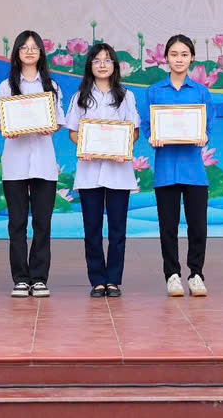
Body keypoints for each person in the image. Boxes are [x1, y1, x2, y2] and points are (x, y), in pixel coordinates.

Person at [66, 42, 139, 298]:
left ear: (115, 66)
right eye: (97, 60)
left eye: (107, 60)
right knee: (92, 228)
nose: (102, 65)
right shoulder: (80, 96)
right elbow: (73, 132)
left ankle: (113, 280)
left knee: (118, 229)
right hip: (89, 172)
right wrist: (84, 145)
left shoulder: (126, 96)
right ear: (90, 66)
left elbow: (134, 131)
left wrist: (124, 147)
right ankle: (97, 280)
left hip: (119, 171)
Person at [0, 30, 64, 298]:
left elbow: (58, 121)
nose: (29, 51)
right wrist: (8, 129)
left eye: (34, 47)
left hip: (44, 165)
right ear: (17, 52)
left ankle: (39, 278)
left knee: (42, 223)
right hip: (15, 164)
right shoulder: (6, 86)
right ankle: (21, 279)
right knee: (17, 223)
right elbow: (0, 123)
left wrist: (51, 127)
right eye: (24, 47)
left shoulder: (52, 86)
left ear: (41, 53)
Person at [143, 34, 213, 298]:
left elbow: (208, 125)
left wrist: (204, 135)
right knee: (168, 228)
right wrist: (153, 136)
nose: (179, 59)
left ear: (192, 58)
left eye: (184, 54)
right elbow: (148, 125)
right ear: (166, 58)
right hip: (165, 171)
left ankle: (196, 275)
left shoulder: (201, 92)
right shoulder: (154, 91)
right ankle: (172, 275)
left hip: (194, 172)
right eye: (174, 54)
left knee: (198, 227)